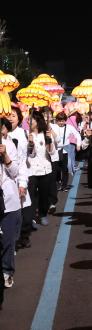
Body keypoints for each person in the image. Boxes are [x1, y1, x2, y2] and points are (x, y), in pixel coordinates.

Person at [8, 106, 34, 248]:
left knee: (25, 211)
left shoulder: (24, 133)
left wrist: (31, 144)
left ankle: (24, 236)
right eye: (8, 116)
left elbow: (29, 156)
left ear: (19, 118)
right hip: (8, 177)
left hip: (23, 175)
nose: (10, 118)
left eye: (13, 115)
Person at [0, 119, 20, 289]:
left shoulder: (10, 145)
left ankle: (7, 271)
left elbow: (14, 172)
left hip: (8, 201)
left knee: (7, 240)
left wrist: (5, 155)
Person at [27, 111, 55, 226]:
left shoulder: (46, 134)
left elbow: (52, 152)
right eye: (28, 119)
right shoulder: (26, 135)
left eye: (31, 119)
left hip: (45, 169)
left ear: (37, 121)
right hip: (32, 170)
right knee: (32, 195)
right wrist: (31, 144)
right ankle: (32, 217)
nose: (28, 121)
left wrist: (49, 141)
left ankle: (43, 215)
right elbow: (30, 154)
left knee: (43, 195)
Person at [51, 111, 81, 192]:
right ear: (56, 120)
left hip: (65, 150)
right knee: (56, 169)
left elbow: (77, 135)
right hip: (55, 151)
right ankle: (57, 183)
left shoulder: (69, 127)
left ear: (65, 120)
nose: (61, 123)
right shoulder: (53, 127)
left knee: (64, 168)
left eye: (62, 121)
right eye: (59, 121)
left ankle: (64, 185)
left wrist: (78, 145)